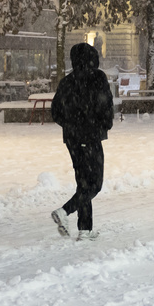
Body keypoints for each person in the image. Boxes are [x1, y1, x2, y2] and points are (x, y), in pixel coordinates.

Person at [50, 43, 113, 241]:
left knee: (83, 182)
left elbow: (55, 111)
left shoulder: (67, 81)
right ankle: (64, 211)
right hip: (90, 136)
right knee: (95, 184)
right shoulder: (97, 78)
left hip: (72, 139)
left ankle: (85, 228)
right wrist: (102, 124)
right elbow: (106, 104)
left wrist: (70, 126)